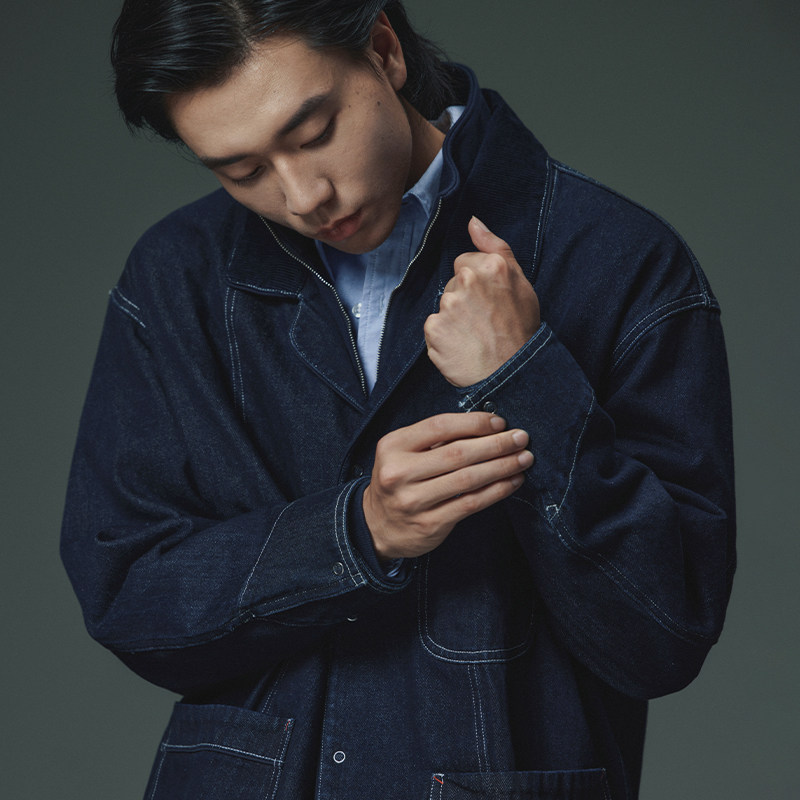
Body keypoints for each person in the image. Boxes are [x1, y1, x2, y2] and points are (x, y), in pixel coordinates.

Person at [61, 2, 736, 798]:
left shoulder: (620, 260)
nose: (303, 195)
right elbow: (127, 596)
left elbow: (662, 637)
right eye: (241, 172)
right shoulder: (175, 279)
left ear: (384, 51)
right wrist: (358, 532)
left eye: (314, 133)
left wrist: (523, 375)